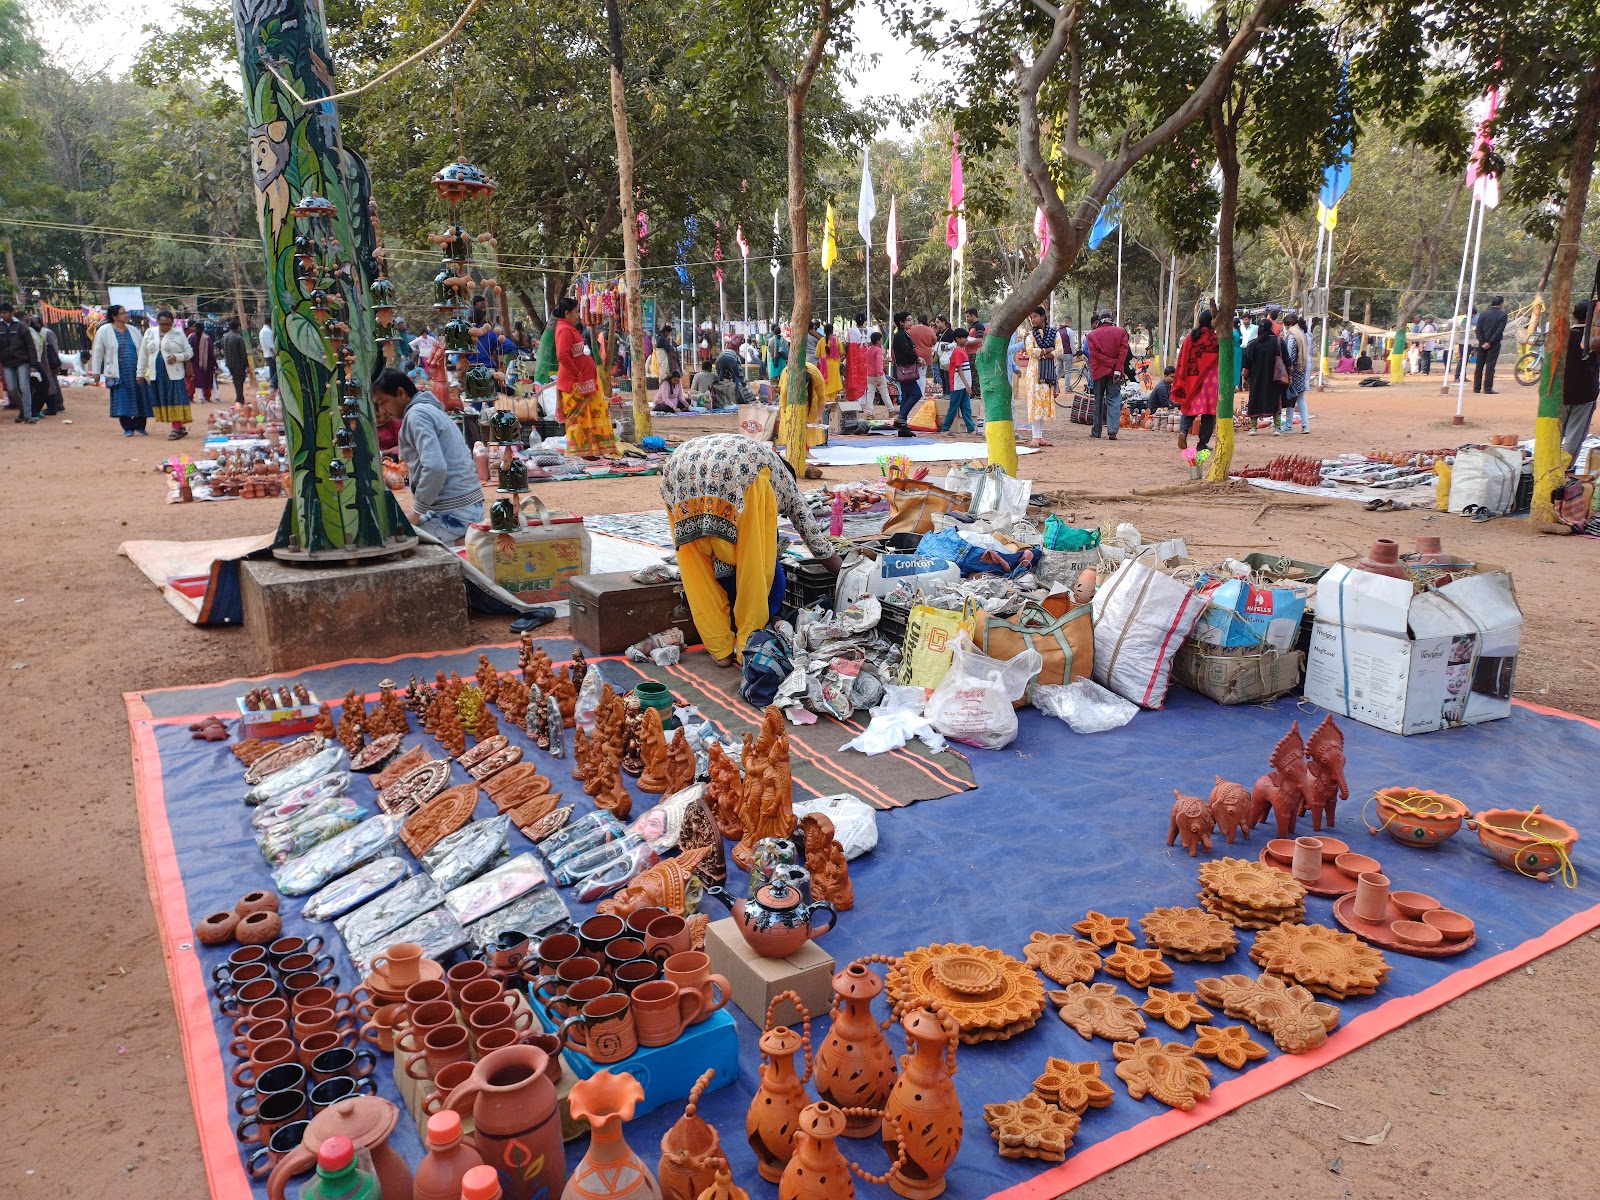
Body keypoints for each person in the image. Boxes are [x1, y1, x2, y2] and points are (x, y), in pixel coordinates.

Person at [660, 432, 842, 667]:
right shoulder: (782, 479)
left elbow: (718, 538)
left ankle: (720, 650)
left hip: (678, 471)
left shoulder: (766, 458)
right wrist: (845, 572)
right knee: (757, 568)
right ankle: (748, 646)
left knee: (697, 574)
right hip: (743, 471)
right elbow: (813, 537)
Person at [371, 368, 483, 544]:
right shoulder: (429, 410)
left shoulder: (417, 415)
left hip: (457, 512)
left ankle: (463, 542)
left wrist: (417, 512)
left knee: (400, 542)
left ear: (401, 393)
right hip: (468, 506)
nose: (382, 410)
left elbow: (435, 468)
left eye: (383, 402)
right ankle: (462, 541)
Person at [554, 298, 618, 457]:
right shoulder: (564, 329)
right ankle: (580, 450)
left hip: (582, 379)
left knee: (588, 415)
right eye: (575, 312)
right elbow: (562, 355)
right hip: (574, 381)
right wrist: (577, 373)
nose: (578, 315)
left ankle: (590, 449)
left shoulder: (569, 328)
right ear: (567, 313)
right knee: (578, 418)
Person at [92, 304, 150, 435]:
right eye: (123, 313)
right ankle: (128, 427)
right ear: (114, 316)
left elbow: (143, 350)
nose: (126, 315)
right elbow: (98, 352)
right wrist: (96, 372)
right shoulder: (104, 330)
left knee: (141, 398)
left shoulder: (133, 330)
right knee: (122, 399)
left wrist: (146, 368)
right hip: (118, 372)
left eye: (126, 312)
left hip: (137, 371)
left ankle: (140, 425)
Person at [140, 309, 193, 439]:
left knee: (176, 399)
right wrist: (139, 373)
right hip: (157, 374)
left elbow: (189, 352)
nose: (166, 327)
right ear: (157, 322)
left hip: (174, 374)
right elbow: (143, 354)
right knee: (165, 399)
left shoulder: (178, 334)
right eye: (163, 324)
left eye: (169, 324)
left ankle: (175, 428)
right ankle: (179, 427)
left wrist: (177, 357)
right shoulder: (149, 333)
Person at [1172, 312, 1219, 452]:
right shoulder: (1215, 338)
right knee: (1209, 413)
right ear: (1212, 322)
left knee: (1190, 407)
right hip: (1211, 380)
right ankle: (1202, 443)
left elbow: (1182, 358)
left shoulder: (1191, 337)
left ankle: (1183, 431)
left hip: (1193, 378)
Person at [1561, 300, 1600, 463]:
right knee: (1574, 438)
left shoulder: (1562, 336)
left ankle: (1550, 466)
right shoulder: (1594, 340)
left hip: (1560, 392)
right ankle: (1565, 468)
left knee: (1555, 433)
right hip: (1584, 394)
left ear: (1574, 315)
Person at [1018, 306, 1062, 447]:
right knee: (1035, 403)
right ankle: (1035, 437)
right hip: (1034, 374)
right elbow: (1031, 351)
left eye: (1035, 317)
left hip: (1047, 373)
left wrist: (1043, 353)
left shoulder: (1054, 333)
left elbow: (1060, 350)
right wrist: (1047, 350)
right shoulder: (1031, 335)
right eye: (1031, 318)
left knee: (1043, 403)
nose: (1033, 320)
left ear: (1043, 316)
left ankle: (1040, 436)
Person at [1084, 309, 1130, 441]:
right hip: (1115, 372)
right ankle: (1112, 430)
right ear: (1111, 318)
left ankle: (1096, 431)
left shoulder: (1092, 335)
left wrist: (1110, 362)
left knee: (1098, 400)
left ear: (1100, 319)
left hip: (1098, 371)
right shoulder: (1121, 332)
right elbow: (1123, 353)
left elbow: (1095, 355)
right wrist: (1116, 366)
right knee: (1114, 400)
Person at [1241, 315, 1286, 435]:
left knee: (1254, 400)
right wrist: (1288, 375)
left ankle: (1253, 428)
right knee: (1275, 401)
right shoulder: (1278, 342)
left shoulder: (1252, 344)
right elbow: (1287, 360)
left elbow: (1246, 364)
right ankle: (1277, 428)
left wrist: (1245, 379)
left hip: (1256, 378)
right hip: (1274, 378)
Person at [0, 301, 39, 423]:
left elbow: (30, 347)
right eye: (1, 313)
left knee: (24, 387)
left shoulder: (21, 327)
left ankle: (28, 415)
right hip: (7, 363)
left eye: (5, 313)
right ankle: (23, 411)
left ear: (12, 313)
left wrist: (33, 364)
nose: (2, 315)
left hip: (22, 361)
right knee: (11, 389)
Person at [890, 311, 921, 437]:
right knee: (916, 393)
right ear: (901, 323)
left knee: (907, 396)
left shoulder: (903, 334)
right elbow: (907, 351)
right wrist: (917, 358)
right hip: (906, 370)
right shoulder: (901, 335)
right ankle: (901, 417)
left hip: (904, 369)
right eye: (908, 320)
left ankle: (903, 428)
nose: (911, 322)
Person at [1281, 310, 1311, 434]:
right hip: (1302, 368)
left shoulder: (1292, 335)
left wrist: (1288, 370)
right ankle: (1305, 425)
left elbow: (1290, 355)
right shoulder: (1304, 334)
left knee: (1290, 397)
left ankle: (1288, 425)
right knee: (1300, 397)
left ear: (1288, 324)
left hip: (1294, 370)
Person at [29, 316, 65, 416]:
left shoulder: (47, 333)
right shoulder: (33, 333)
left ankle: (57, 404)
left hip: (49, 362)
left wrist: (55, 362)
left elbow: (54, 347)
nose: (36, 324)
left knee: (52, 384)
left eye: (37, 322)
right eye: (33, 322)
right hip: (42, 362)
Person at [941, 336, 975, 434]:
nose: (966, 340)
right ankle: (945, 429)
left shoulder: (961, 350)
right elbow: (959, 369)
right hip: (958, 385)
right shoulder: (958, 352)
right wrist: (967, 385)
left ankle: (971, 429)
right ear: (958, 339)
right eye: (964, 338)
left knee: (966, 407)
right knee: (954, 407)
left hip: (962, 384)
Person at [1474, 295, 1508, 393]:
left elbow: (1478, 329)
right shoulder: (1503, 315)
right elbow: (1499, 330)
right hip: (1494, 344)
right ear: (1501, 304)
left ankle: (1476, 387)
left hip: (1481, 344)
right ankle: (1487, 388)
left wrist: (1482, 341)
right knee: (1490, 366)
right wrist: (1490, 342)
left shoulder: (1483, 314)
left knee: (1479, 365)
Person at [219, 318, 251, 406]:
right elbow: (243, 354)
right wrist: (247, 365)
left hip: (229, 363)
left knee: (236, 380)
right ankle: (240, 399)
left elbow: (222, 350)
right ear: (238, 327)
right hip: (238, 364)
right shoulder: (239, 338)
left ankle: (239, 397)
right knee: (240, 380)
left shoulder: (225, 337)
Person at [187, 318, 217, 404]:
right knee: (207, 380)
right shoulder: (207, 338)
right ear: (204, 329)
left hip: (195, 363)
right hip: (207, 364)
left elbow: (189, 350)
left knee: (197, 380)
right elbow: (211, 352)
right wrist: (215, 364)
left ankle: (199, 398)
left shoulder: (191, 338)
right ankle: (207, 396)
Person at [843, 312, 870, 403]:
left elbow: (847, 345)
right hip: (867, 357)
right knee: (865, 377)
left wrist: (845, 354)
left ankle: (857, 400)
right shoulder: (870, 330)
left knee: (855, 377)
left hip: (855, 358)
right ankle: (865, 399)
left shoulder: (851, 331)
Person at [863, 331, 890, 417]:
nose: (882, 341)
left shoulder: (869, 350)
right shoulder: (878, 350)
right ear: (878, 341)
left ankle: (869, 412)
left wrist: (884, 360)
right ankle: (891, 410)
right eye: (881, 339)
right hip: (879, 375)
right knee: (885, 394)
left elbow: (873, 362)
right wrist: (879, 376)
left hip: (870, 375)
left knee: (870, 394)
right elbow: (878, 365)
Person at [907, 313, 936, 391]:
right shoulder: (930, 330)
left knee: (913, 375)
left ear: (917, 320)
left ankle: (914, 393)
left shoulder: (911, 330)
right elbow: (934, 341)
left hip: (913, 354)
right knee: (922, 375)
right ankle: (921, 394)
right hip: (926, 355)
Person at [257, 320, 276, 395]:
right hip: (270, 354)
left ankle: (273, 386)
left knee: (273, 370)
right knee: (278, 371)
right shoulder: (268, 331)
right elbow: (270, 344)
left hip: (266, 354)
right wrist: (274, 353)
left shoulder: (262, 331)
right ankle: (272, 384)